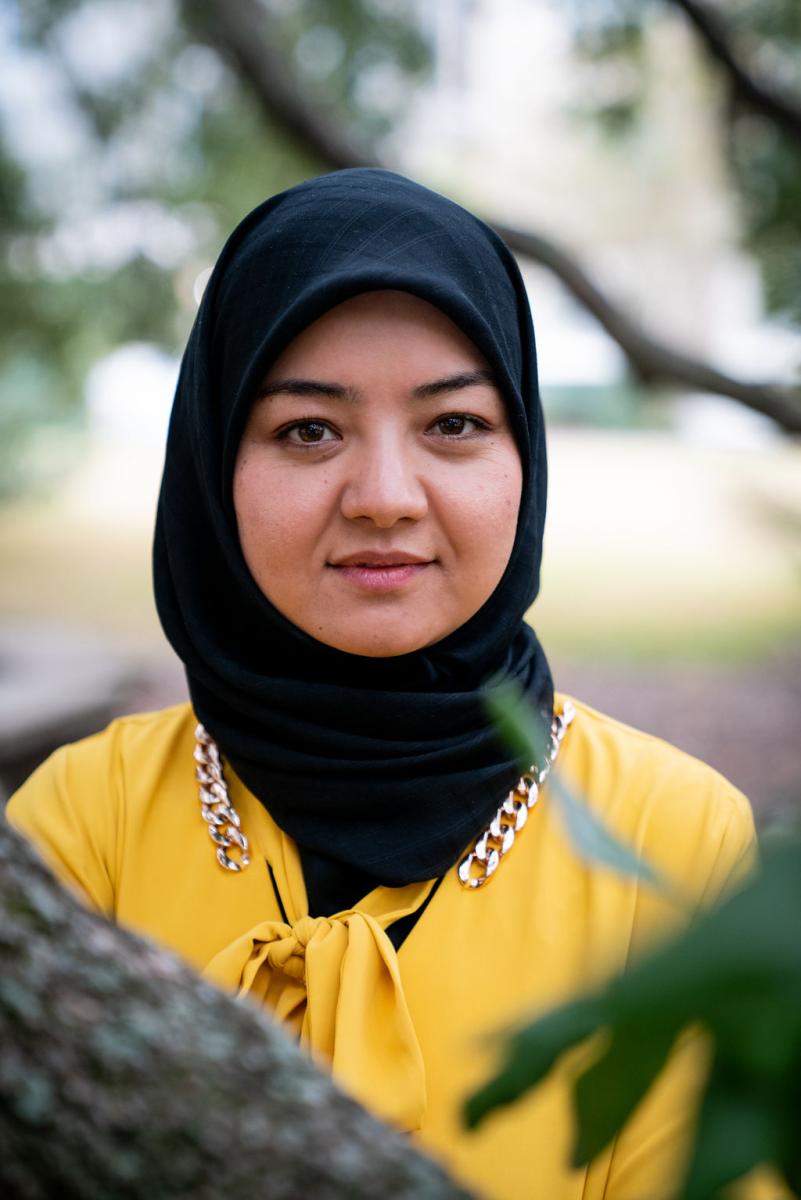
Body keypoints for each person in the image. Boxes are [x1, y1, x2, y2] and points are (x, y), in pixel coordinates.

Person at [7, 169, 756, 1199]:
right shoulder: (80, 829)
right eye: (308, 430)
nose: (385, 499)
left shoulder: (673, 841)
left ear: (524, 455)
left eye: (452, 425)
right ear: (213, 462)